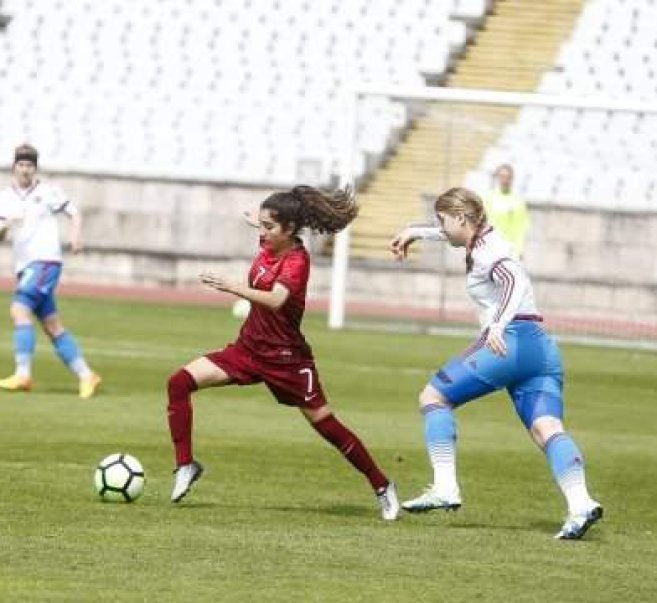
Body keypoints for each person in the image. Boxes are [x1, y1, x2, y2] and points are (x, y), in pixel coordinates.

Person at [166, 185, 400, 520]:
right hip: (247, 350)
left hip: (287, 360)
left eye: (269, 227)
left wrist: (233, 286)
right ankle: (186, 466)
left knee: (326, 425)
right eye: (260, 225)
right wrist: (256, 218)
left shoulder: (296, 261)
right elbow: (262, 222)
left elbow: (276, 300)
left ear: (290, 230)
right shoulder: (270, 239)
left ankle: (382, 486)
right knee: (179, 382)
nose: (261, 233)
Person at [390, 187, 602, 540]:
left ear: (461, 217)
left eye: (442, 220)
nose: (440, 227)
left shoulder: (490, 251)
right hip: (542, 349)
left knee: (433, 398)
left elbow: (515, 279)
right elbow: (457, 238)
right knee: (547, 428)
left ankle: (445, 487)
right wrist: (417, 232)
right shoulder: (483, 240)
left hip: (512, 341)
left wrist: (499, 326)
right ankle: (581, 503)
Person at [0, 143, 101, 398]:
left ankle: (23, 374)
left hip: (45, 262)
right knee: (52, 327)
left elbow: (73, 212)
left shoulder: (47, 192)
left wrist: (76, 235)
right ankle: (87, 376)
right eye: (21, 165)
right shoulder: (4, 197)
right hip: (25, 267)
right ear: (14, 167)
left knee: (19, 310)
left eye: (29, 165)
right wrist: (6, 226)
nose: (25, 170)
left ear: (35, 168)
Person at [482, 164, 530, 257]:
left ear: (512, 179)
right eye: (502, 177)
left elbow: (522, 227)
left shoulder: (518, 201)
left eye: (508, 177)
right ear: (497, 178)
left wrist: (518, 250)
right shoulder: (489, 199)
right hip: (491, 249)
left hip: (510, 251)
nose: (505, 180)